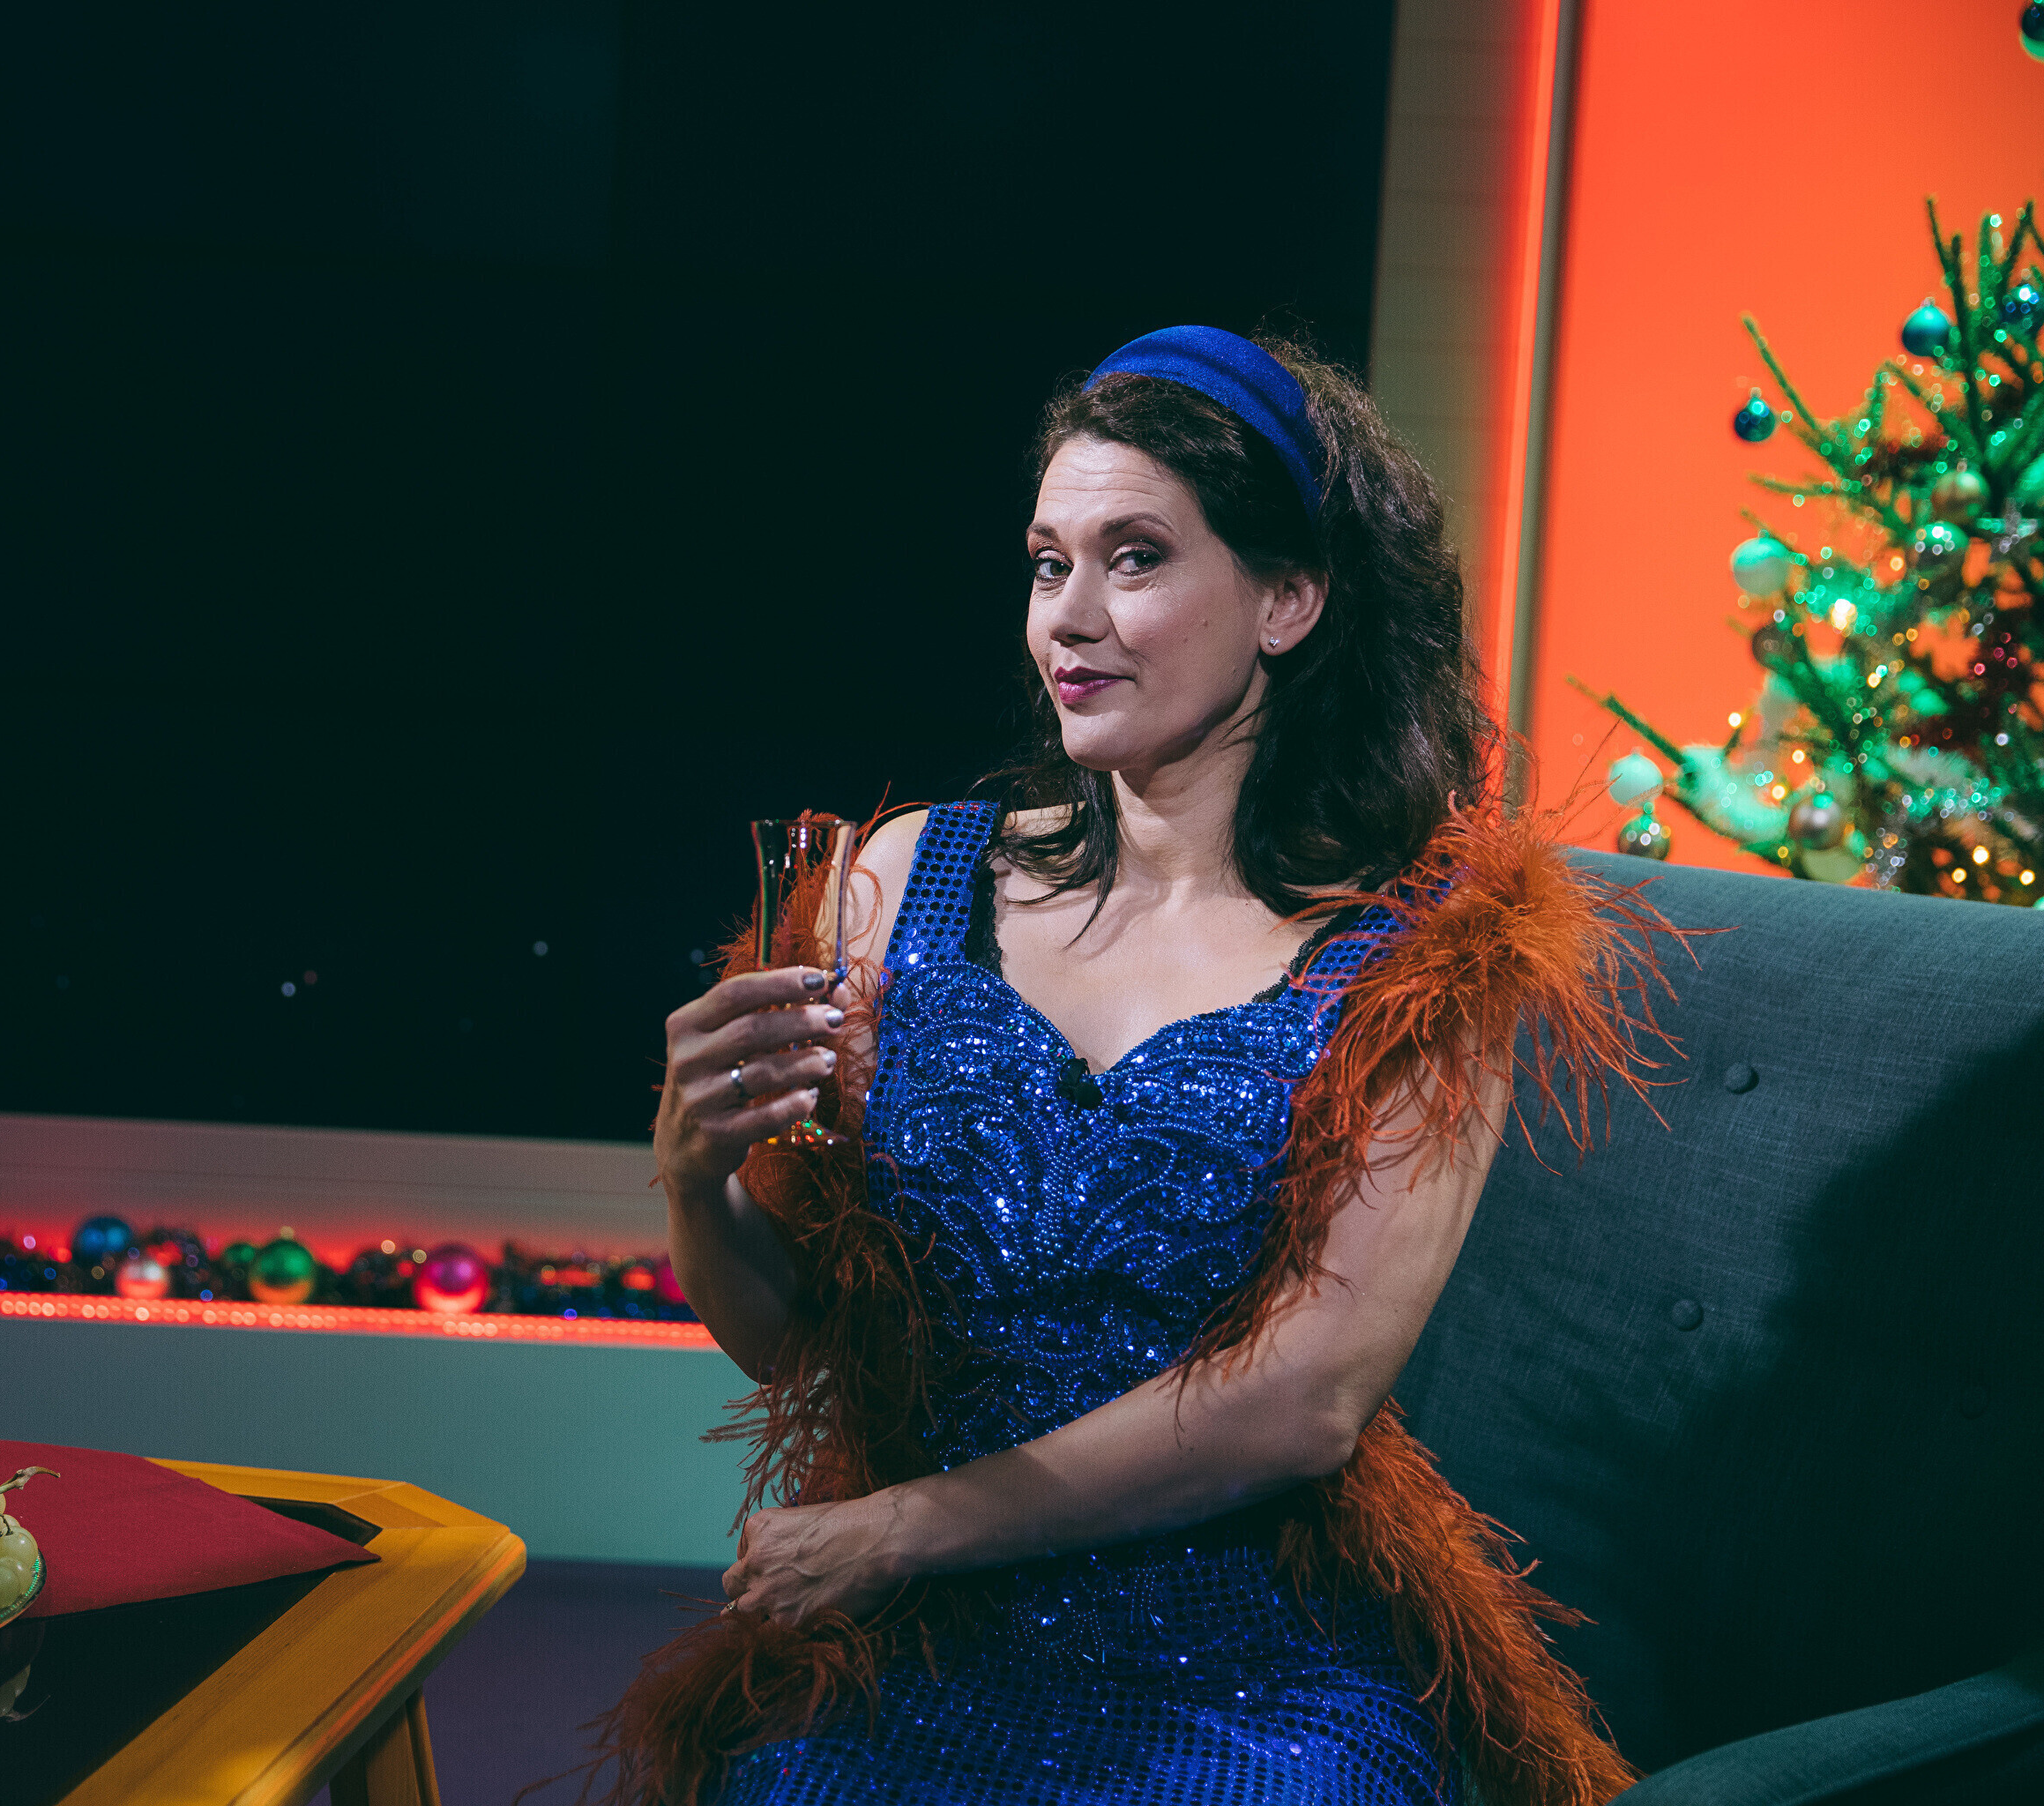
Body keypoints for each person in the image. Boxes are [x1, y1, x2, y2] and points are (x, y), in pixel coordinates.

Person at [613, 328, 1664, 1805]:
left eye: (1137, 559)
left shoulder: (1429, 955)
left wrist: (901, 1529)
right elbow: (800, 1345)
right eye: (1049, 564)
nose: (1070, 617)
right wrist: (693, 1176)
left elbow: (1304, 1399)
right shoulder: (902, 881)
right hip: (911, 1646)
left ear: (1289, 599)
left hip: (1253, 1661)